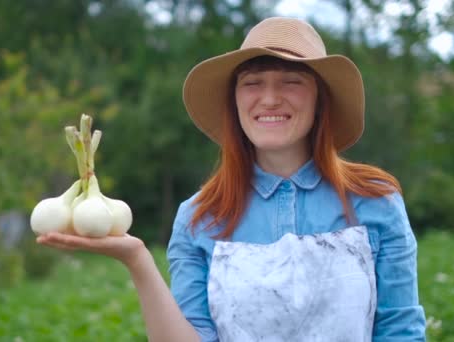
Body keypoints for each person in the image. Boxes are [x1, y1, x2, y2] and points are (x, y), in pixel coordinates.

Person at [37, 17, 427, 341]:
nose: (270, 98)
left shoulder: (375, 201)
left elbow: (402, 332)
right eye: (252, 82)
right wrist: (137, 259)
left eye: (291, 81)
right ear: (235, 101)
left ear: (320, 99)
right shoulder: (198, 217)